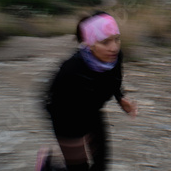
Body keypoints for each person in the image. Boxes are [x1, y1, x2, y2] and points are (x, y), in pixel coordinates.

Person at [45, 12, 137, 171]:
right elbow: (50, 101)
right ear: (90, 44)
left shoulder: (115, 58)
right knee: (79, 167)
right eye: (105, 42)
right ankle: (48, 167)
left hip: (92, 112)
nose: (114, 47)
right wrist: (71, 138)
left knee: (101, 164)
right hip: (66, 119)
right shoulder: (72, 69)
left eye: (116, 39)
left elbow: (114, 80)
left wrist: (121, 98)